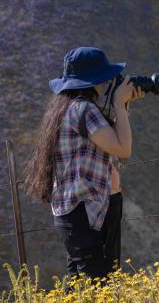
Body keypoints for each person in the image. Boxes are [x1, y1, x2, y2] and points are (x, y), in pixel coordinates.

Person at [23, 46, 144, 287]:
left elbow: (109, 149)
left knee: (80, 286)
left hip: (75, 211)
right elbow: (123, 150)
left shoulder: (64, 108)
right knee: (100, 286)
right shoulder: (84, 110)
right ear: (97, 80)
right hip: (85, 211)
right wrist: (119, 106)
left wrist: (121, 108)